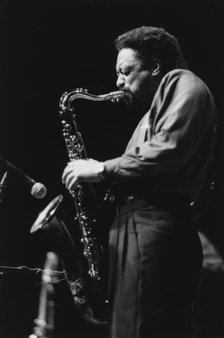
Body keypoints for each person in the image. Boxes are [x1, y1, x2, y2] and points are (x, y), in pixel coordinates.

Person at [62, 26, 217, 338]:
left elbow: (166, 151)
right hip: (140, 229)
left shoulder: (183, 83)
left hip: (151, 227)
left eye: (126, 70)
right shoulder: (152, 112)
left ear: (156, 66)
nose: (119, 82)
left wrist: (100, 169)